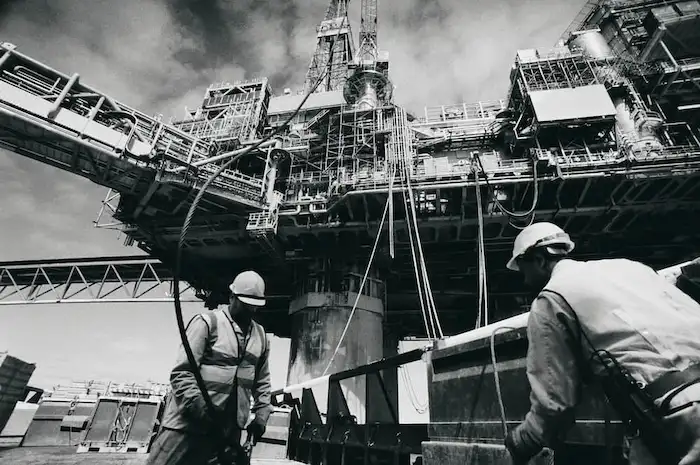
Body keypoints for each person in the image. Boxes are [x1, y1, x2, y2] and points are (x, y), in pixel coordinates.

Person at [503, 222, 700, 465]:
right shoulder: (629, 267)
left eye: (524, 270)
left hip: (681, 412)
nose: (524, 280)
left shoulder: (552, 299)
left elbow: (554, 403)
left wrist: (521, 442)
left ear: (540, 259)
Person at [146, 270, 273, 465]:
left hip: (229, 431)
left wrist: (261, 417)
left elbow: (262, 382)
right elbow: (182, 374)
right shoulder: (207, 324)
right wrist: (200, 409)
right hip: (187, 426)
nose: (250, 311)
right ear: (232, 297)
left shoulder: (261, 336)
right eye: (246, 305)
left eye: (254, 307)